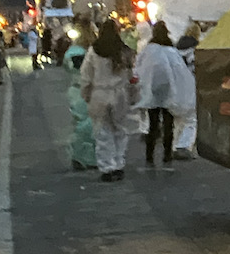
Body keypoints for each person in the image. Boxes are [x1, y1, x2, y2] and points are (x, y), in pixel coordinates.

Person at [135, 21, 197, 167]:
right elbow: (180, 72)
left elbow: (140, 69)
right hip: (169, 92)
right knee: (169, 125)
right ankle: (167, 154)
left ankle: (149, 156)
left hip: (152, 93)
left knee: (153, 125)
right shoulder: (171, 50)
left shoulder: (148, 50)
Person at [79, 20, 135, 182]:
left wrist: (85, 93)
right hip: (120, 94)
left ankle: (106, 166)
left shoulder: (94, 51)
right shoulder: (124, 50)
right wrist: (132, 95)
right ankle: (118, 164)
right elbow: (131, 76)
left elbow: (86, 75)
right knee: (120, 130)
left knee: (102, 131)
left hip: (100, 94)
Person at [64, 26, 97, 171]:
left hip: (77, 89)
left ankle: (80, 156)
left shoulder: (73, 51)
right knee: (89, 124)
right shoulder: (91, 52)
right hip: (87, 90)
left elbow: (68, 67)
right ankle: (87, 157)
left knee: (82, 124)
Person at [174, 20, 200, 159]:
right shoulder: (196, 50)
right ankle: (183, 146)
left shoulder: (176, 48)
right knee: (192, 119)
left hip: (176, 85)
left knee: (178, 118)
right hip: (189, 85)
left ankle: (174, 145)